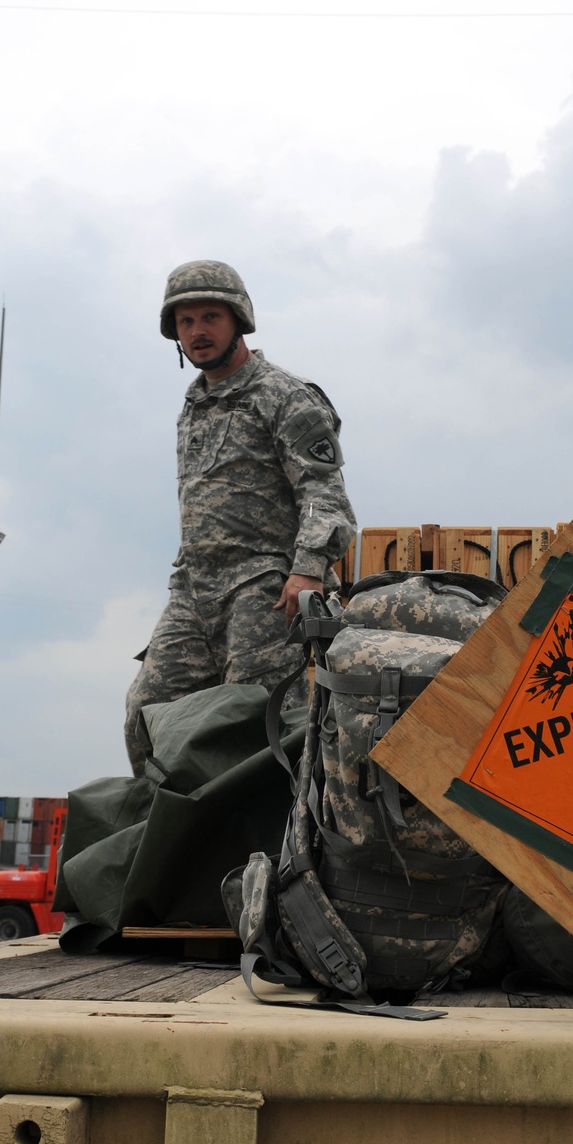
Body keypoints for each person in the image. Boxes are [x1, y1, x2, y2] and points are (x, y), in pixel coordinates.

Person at [125, 260, 356, 775]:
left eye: (209, 317)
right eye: (185, 322)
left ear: (238, 320)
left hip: (265, 589)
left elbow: (325, 491)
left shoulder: (284, 395)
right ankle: (164, 844)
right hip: (194, 591)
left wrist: (308, 570)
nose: (197, 332)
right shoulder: (195, 403)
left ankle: (271, 851)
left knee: (259, 728)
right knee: (146, 713)